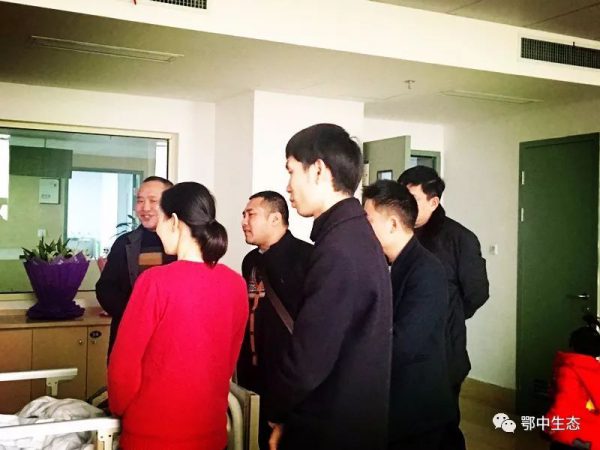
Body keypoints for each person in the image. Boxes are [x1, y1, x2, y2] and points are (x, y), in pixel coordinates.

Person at [268, 123, 393, 450]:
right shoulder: (354, 235)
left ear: (319, 170)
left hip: (331, 425)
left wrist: (276, 411)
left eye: (291, 171)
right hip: (352, 417)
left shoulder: (339, 248)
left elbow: (310, 357)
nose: (288, 186)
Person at [108, 182, 248, 450]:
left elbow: (123, 367)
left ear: (173, 221)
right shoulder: (236, 284)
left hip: (152, 434)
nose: (157, 229)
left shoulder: (155, 282)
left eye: (159, 220)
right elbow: (228, 363)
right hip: (210, 432)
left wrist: (118, 409)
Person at [398, 166, 489, 449]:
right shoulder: (399, 234)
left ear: (434, 201)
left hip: (445, 350)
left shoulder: (459, 239)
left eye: (412, 199)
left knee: (441, 428)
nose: (405, 205)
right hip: (404, 351)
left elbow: (477, 293)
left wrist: (446, 316)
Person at [363, 180, 455, 450]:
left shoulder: (427, 270)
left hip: (416, 407)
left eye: (368, 220)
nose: (362, 229)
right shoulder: (381, 264)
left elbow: (403, 344)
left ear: (392, 224)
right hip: (388, 401)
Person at [237, 190, 312, 449]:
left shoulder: (307, 258)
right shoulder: (250, 261)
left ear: (275, 218)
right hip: (253, 377)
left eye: (251, 215)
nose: (244, 221)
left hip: (289, 378)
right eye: (244, 215)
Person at [96, 175, 176, 355]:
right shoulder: (124, 243)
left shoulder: (183, 244)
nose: (145, 208)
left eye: (153, 201)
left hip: (171, 340)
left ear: (171, 205)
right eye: (140, 201)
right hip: (130, 337)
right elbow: (105, 288)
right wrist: (135, 315)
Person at [545, 315, 600, 450]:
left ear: (573, 345)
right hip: (593, 440)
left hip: (570, 436)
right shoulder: (597, 371)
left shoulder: (570, 370)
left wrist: (549, 425)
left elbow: (564, 402)